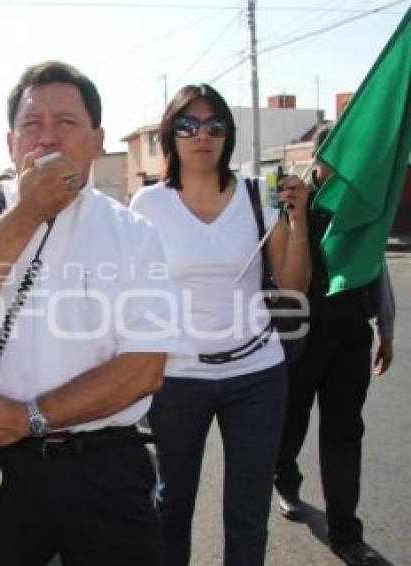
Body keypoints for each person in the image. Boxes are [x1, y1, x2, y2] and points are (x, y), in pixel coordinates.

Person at [0, 61, 187, 565]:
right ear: (10, 143)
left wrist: (27, 418)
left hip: (105, 463)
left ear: (96, 140)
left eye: (66, 124)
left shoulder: (133, 233)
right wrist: (26, 212)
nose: (47, 139)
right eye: (32, 126)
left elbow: (143, 369)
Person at [128, 83, 310, 566]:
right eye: (188, 125)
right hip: (177, 377)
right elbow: (131, 293)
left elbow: (293, 285)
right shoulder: (148, 205)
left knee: (247, 512)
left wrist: (300, 219)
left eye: (214, 125)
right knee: (172, 504)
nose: (201, 135)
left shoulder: (256, 195)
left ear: (228, 135)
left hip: (257, 375)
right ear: (171, 134)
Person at [274, 123, 395, 566]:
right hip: (301, 336)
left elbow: (375, 268)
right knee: (290, 423)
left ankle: (347, 533)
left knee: (344, 432)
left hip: (349, 334)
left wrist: (386, 329)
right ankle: (285, 481)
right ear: (320, 159)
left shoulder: (360, 205)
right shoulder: (292, 201)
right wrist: (295, 214)